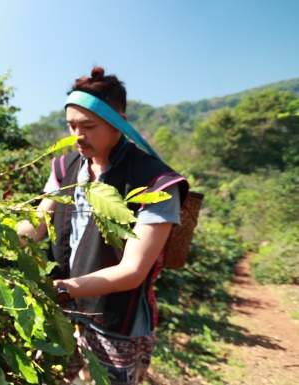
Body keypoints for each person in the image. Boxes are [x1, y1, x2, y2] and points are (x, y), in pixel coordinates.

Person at [16, 66, 188, 385]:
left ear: (118, 121)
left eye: (88, 126)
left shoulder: (156, 181)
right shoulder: (66, 166)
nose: (77, 136)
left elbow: (132, 270)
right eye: (71, 126)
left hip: (115, 317)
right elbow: (39, 225)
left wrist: (62, 289)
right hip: (64, 309)